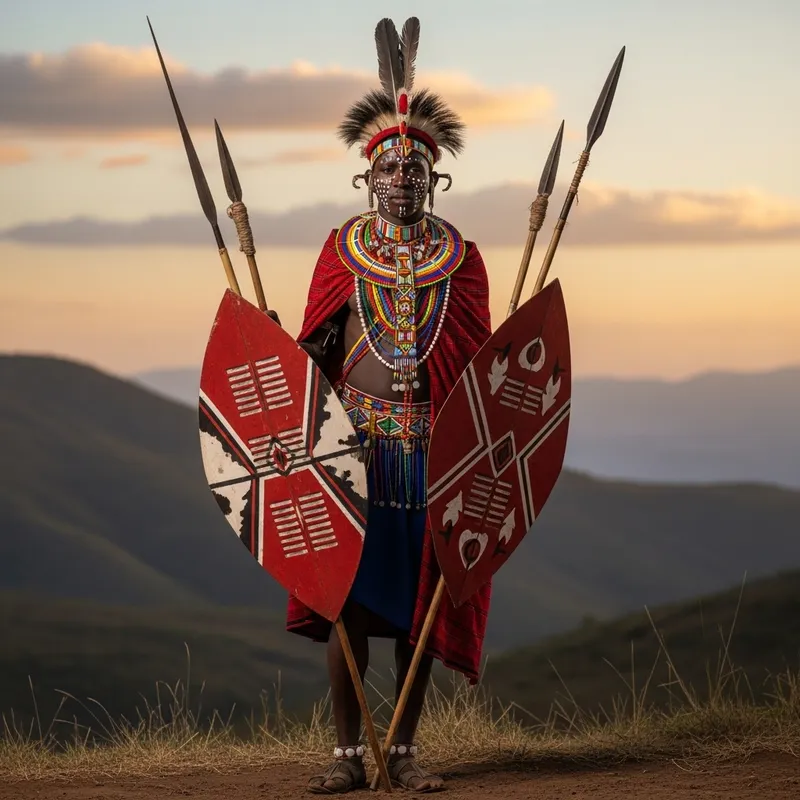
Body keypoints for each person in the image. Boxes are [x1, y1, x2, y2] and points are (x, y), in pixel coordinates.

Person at [278, 17, 494, 794]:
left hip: (431, 452)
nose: (402, 178)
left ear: (435, 179)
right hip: (354, 449)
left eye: (415, 168)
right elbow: (314, 351)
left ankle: (402, 753)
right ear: (368, 179)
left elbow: (480, 365)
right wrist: (273, 350)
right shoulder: (341, 254)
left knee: (419, 607)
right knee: (347, 601)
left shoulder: (461, 261)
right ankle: (347, 756)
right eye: (389, 168)